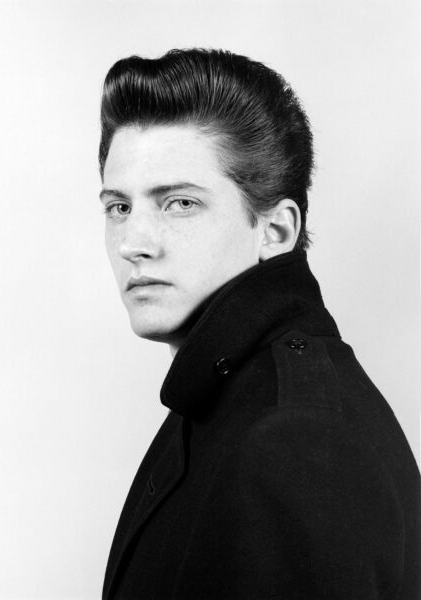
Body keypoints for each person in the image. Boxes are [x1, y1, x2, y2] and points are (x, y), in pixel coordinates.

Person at [98, 48, 420, 599]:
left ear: (275, 231)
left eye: (179, 203)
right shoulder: (223, 397)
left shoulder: (297, 440)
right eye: (119, 207)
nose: (133, 243)